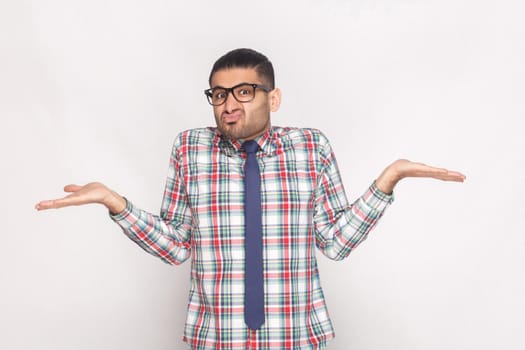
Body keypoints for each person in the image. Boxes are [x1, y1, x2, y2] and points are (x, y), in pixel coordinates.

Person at [35, 48, 466, 350]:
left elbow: (336, 241)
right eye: (219, 94)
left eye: (244, 91)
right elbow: (175, 246)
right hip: (217, 337)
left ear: (272, 98)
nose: (228, 105)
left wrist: (388, 180)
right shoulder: (190, 148)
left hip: (295, 336)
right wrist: (116, 204)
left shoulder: (310, 147)